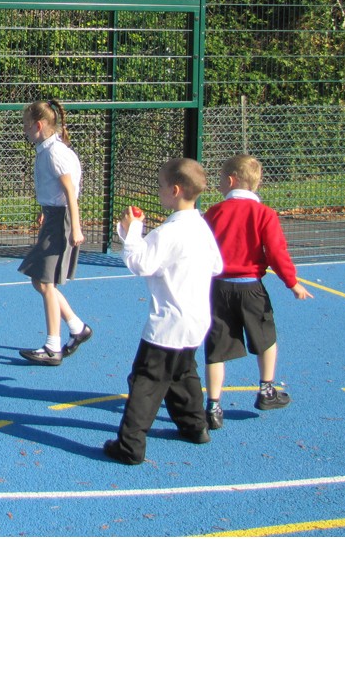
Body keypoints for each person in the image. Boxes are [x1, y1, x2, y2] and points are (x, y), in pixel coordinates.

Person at [104, 158, 224, 465]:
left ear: (174, 190)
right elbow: (217, 265)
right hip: (196, 318)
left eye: (160, 186)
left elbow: (140, 263)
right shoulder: (201, 228)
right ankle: (194, 425)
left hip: (169, 321)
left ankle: (130, 445)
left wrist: (133, 231)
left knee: (146, 379)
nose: (158, 191)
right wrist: (131, 232)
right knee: (183, 373)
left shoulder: (169, 232)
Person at [202, 154, 313, 429]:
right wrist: (293, 283)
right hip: (251, 287)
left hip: (218, 288)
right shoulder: (265, 214)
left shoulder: (214, 212)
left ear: (230, 181)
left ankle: (213, 406)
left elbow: (202, 248)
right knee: (266, 338)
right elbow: (277, 253)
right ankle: (266, 390)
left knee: (216, 347)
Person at [17, 99, 93, 366]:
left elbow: (70, 192)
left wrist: (76, 227)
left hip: (62, 222)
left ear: (39, 125)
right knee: (39, 281)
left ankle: (52, 347)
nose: (24, 131)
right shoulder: (47, 150)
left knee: (46, 284)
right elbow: (57, 191)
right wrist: (46, 210)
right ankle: (77, 327)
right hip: (53, 217)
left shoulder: (54, 153)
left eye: (27, 126)